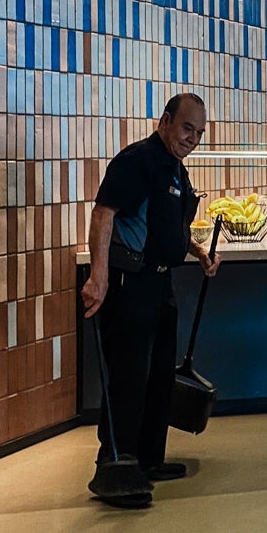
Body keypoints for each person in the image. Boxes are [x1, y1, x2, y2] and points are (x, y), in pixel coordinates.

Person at [81, 94, 221, 508]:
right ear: (165, 121)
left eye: (199, 133)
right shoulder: (137, 161)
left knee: (159, 375)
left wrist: (199, 253)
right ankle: (116, 468)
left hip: (161, 284)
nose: (192, 138)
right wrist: (98, 276)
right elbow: (103, 214)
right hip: (131, 282)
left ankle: (147, 460)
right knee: (129, 376)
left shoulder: (176, 168)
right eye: (187, 128)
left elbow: (170, 226)